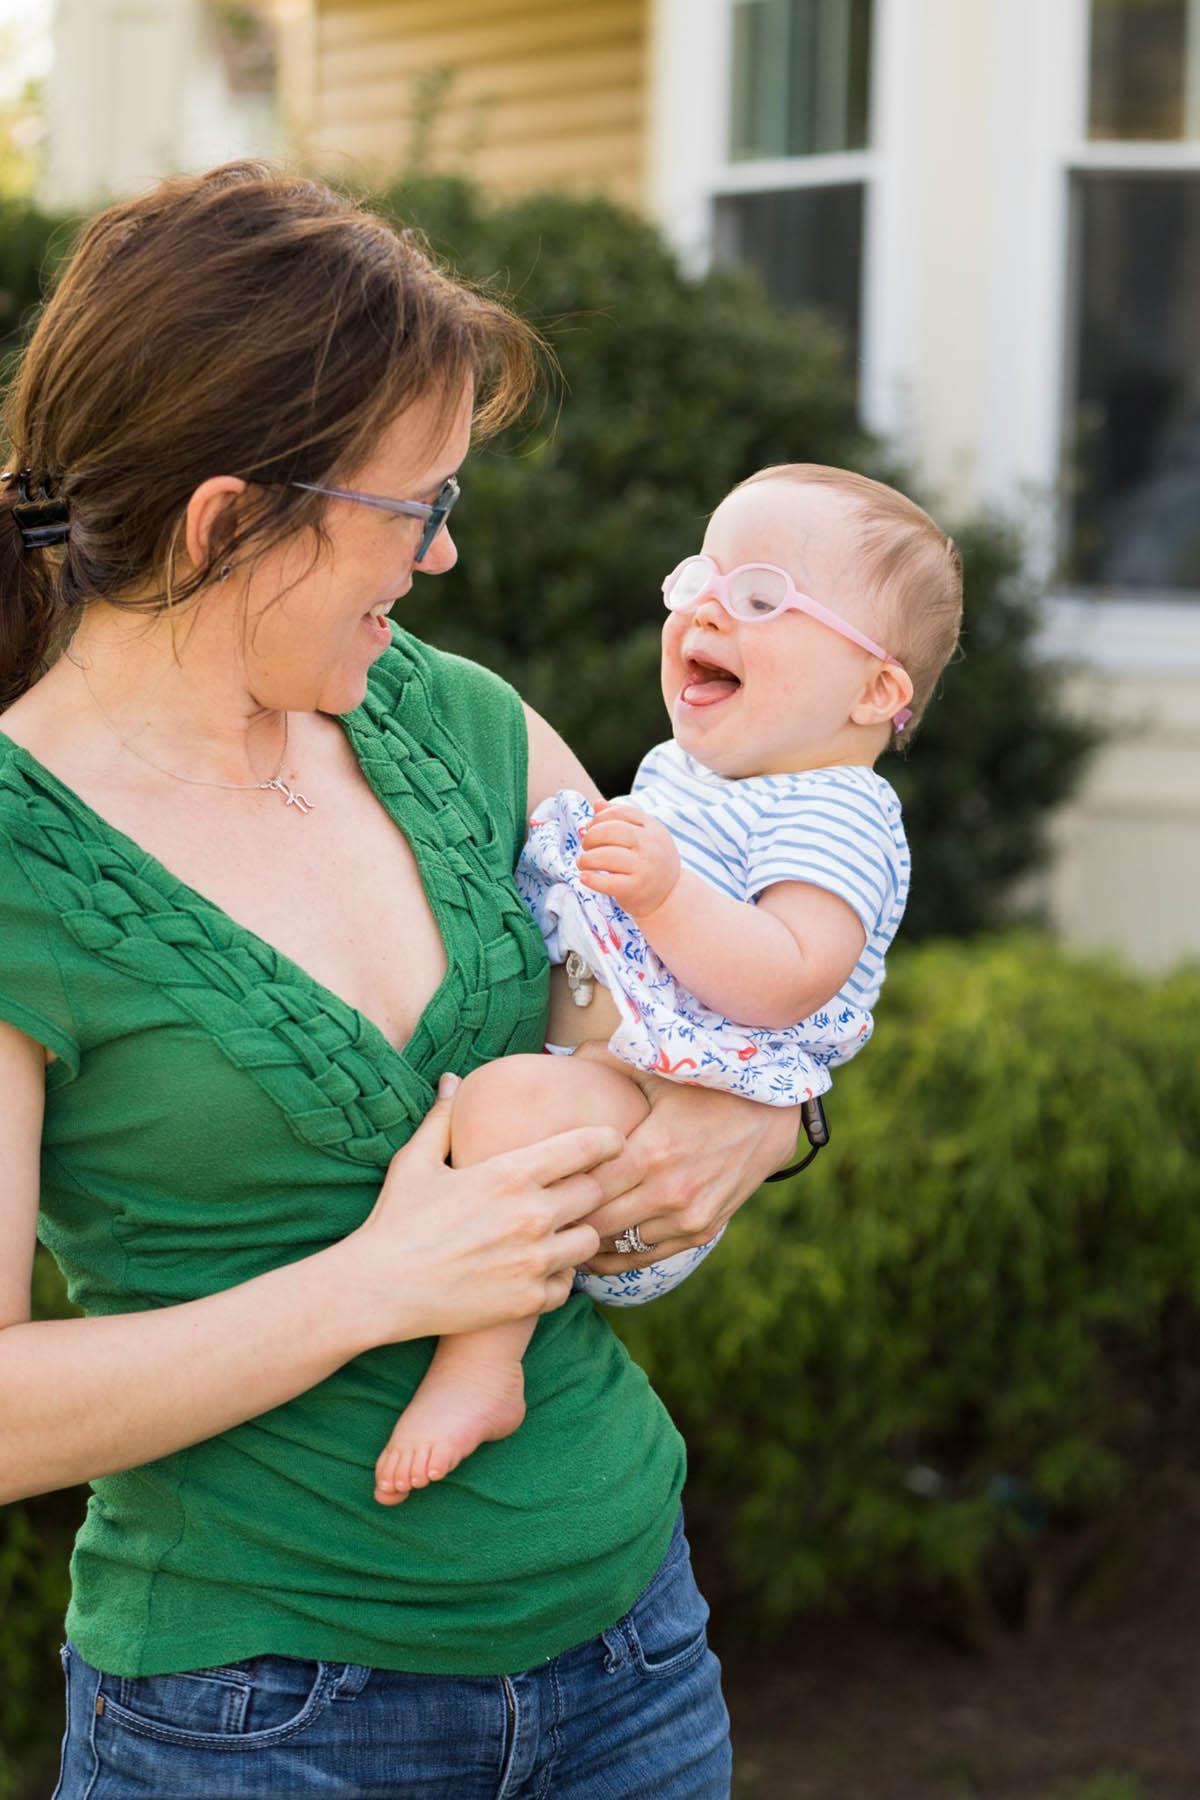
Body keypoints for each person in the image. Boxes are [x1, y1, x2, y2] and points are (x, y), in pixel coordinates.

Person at [0, 163, 798, 1799]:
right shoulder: (22, 858)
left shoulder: (459, 725)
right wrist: (383, 1283)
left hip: (633, 1653)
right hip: (260, 1727)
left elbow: (716, 1001)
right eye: (414, 507)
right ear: (228, 521)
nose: (438, 561)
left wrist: (768, 1121)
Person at [375, 465, 963, 1504]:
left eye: (762, 599)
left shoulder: (837, 814)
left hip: (665, 1098)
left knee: (505, 1105)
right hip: (627, 1055)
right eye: (700, 575)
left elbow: (788, 977)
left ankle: (482, 1367)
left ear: (876, 691)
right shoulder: (698, 773)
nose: (705, 607)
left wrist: (664, 896)